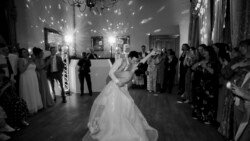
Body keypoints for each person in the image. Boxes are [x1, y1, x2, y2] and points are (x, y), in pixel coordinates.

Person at [82, 50, 158, 141]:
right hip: (114, 88)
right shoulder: (120, 61)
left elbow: (142, 62)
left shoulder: (132, 64)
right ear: (129, 57)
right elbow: (110, 72)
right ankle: (113, 128)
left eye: (136, 60)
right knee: (114, 108)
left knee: (128, 106)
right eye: (134, 60)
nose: (135, 62)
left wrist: (150, 54)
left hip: (123, 89)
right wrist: (118, 82)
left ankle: (125, 126)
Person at [18, 48, 43, 114]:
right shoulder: (21, 60)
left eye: (26, 51)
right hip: (26, 78)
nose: (26, 53)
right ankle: (29, 108)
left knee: (34, 90)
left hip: (33, 78)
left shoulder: (31, 59)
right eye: (23, 52)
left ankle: (35, 106)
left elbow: (35, 68)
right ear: (21, 54)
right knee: (28, 91)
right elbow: (21, 70)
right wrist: (28, 63)